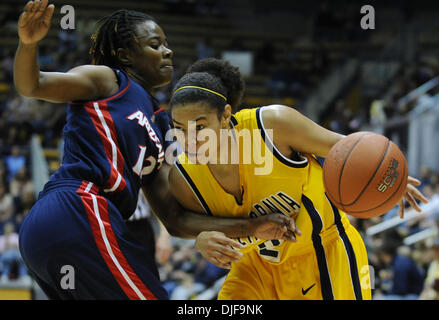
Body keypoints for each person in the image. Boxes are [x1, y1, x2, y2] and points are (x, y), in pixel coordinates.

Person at [14, 1, 297, 300]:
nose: (168, 51)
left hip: (57, 231)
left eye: (166, 43)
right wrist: (28, 45)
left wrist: (250, 225)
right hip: (78, 206)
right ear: (125, 55)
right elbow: (33, 85)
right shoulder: (109, 79)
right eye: (155, 44)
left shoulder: (161, 123)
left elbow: (174, 219)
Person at [167, 57, 429, 300]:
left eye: (199, 127)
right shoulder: (184, 177)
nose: (188, 139)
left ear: (225, 116)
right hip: (255, 268)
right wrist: (201, 238)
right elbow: (183, 223)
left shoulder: (273, 126)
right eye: (178, 128)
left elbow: (352, 152)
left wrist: (387, 175)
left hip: (322, 254)